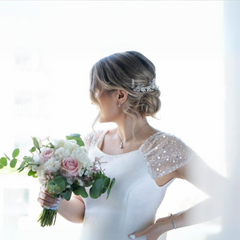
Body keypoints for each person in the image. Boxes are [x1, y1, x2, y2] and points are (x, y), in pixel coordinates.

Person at [37, 51, 227, 240]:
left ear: (120, 95)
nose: (92, 98)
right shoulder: (92, 142)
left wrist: (166, 224)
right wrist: (56, 203)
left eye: (96, 89)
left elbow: (231, 197)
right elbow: (86, 212)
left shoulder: (164, 148)